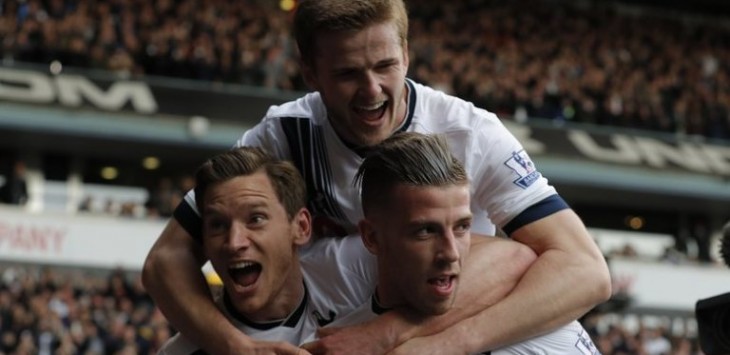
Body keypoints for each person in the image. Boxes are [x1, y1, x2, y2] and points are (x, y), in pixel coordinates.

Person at [142, 0, 612, 353]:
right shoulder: (283, 135)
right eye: (348, 73)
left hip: (451, 317)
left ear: (406, 54)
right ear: (309, 69)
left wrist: (416, 339)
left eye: (385, 65)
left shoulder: (470, 132)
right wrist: (234, 348)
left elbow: (584, 269)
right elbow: (167, 258)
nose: (371, 91)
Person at [158, 145, 536, 354]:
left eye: (255, 219)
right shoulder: (192, 349)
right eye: (217, 226)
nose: (234, 241)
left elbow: (512, 256)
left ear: (301, 227)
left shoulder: (342, 268)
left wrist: (389, 332)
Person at [304, 132, 600, 355]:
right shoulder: (346, 344)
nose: (450, 253)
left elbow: (525, 256)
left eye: (462, 227)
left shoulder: (530, 307)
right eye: (425, 231)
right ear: (371, 237)